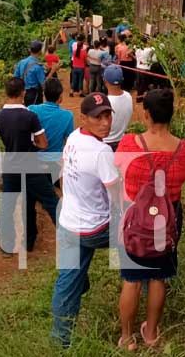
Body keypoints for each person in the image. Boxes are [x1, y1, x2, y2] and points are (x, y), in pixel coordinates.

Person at [115, 88, 185, 350]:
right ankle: (151, 334)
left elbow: (118, 170)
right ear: (171, 114)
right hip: (168, 218)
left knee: (131, 279)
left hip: (134, 219)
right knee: (157, 277)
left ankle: (127, 338)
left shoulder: (129, 143)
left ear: (146, 114)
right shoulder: (183, 149)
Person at [51, 92, 120, 348]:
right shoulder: (102, 152)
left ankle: (60, 340)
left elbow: (63, 175)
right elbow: (117, 197)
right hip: (96, 227)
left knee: (66, 280)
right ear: (84, 118)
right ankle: (143, 292)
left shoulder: (73, 137)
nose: (105, 123)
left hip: (68, 221)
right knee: (139, 245)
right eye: (97, 117)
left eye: (107, 115)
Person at [0, 78, 49, 256]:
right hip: (30, 165)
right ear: (23, 93)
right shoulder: (30, 116)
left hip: (10, 165)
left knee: (8, 206)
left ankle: (6, 246)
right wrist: (31, 145)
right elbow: (43, 144)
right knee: (33, 203)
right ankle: (29, 241)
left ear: (6, 93)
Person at [28, 77, 75, 187]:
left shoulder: (31, 109)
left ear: (43, 94)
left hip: (35, 161)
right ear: (60, 97)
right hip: (56, 162)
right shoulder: (68, 116)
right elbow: (69, 142)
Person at [102, 65, 133, 152]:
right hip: (120, 141)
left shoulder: (106, 102)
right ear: (122, 79)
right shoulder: (128, 96)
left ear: (105, 81)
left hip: (106, 142)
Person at [13, 40, 47, 106]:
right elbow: (43, 84)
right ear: (40, 51)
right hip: (34, 94)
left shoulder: (21, 62)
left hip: (22, 93)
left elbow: (15, 78)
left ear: (30, 50)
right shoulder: (38, 66)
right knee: (34, 114)